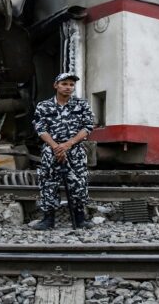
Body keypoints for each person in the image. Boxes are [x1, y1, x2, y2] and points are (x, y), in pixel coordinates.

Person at [31, 72, 95, 230]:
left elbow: (87, 127)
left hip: (75, 150)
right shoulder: (44, 106)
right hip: (51, 151)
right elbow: (40, 129)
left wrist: (67, 145)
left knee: (79, 183)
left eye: (71, 85)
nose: (68, 87)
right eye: (64, 84)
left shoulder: (82, 105)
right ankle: (48, 220)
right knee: (48, 183)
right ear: (56, 85)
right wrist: (56, 147)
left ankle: (80, 219)